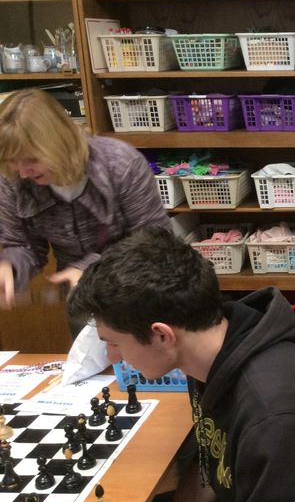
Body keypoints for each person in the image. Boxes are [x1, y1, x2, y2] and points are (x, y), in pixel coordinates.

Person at [66, 226, 295, 502]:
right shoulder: (210, 355)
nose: (112, 357)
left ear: (162, 335)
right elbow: (214, 469)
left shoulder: (274, 416)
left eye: (114, 343)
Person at [0, 89, 170, 331]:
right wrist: (10, 266)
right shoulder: (13, 179)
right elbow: (22, 244)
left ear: (59, 142)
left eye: (32, 159)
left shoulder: (121, 164)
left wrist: (90, 269)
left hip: (139, 290)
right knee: (87, 354)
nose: (23, 172)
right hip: (79, 296)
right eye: (12, 161)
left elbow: (155, 241)